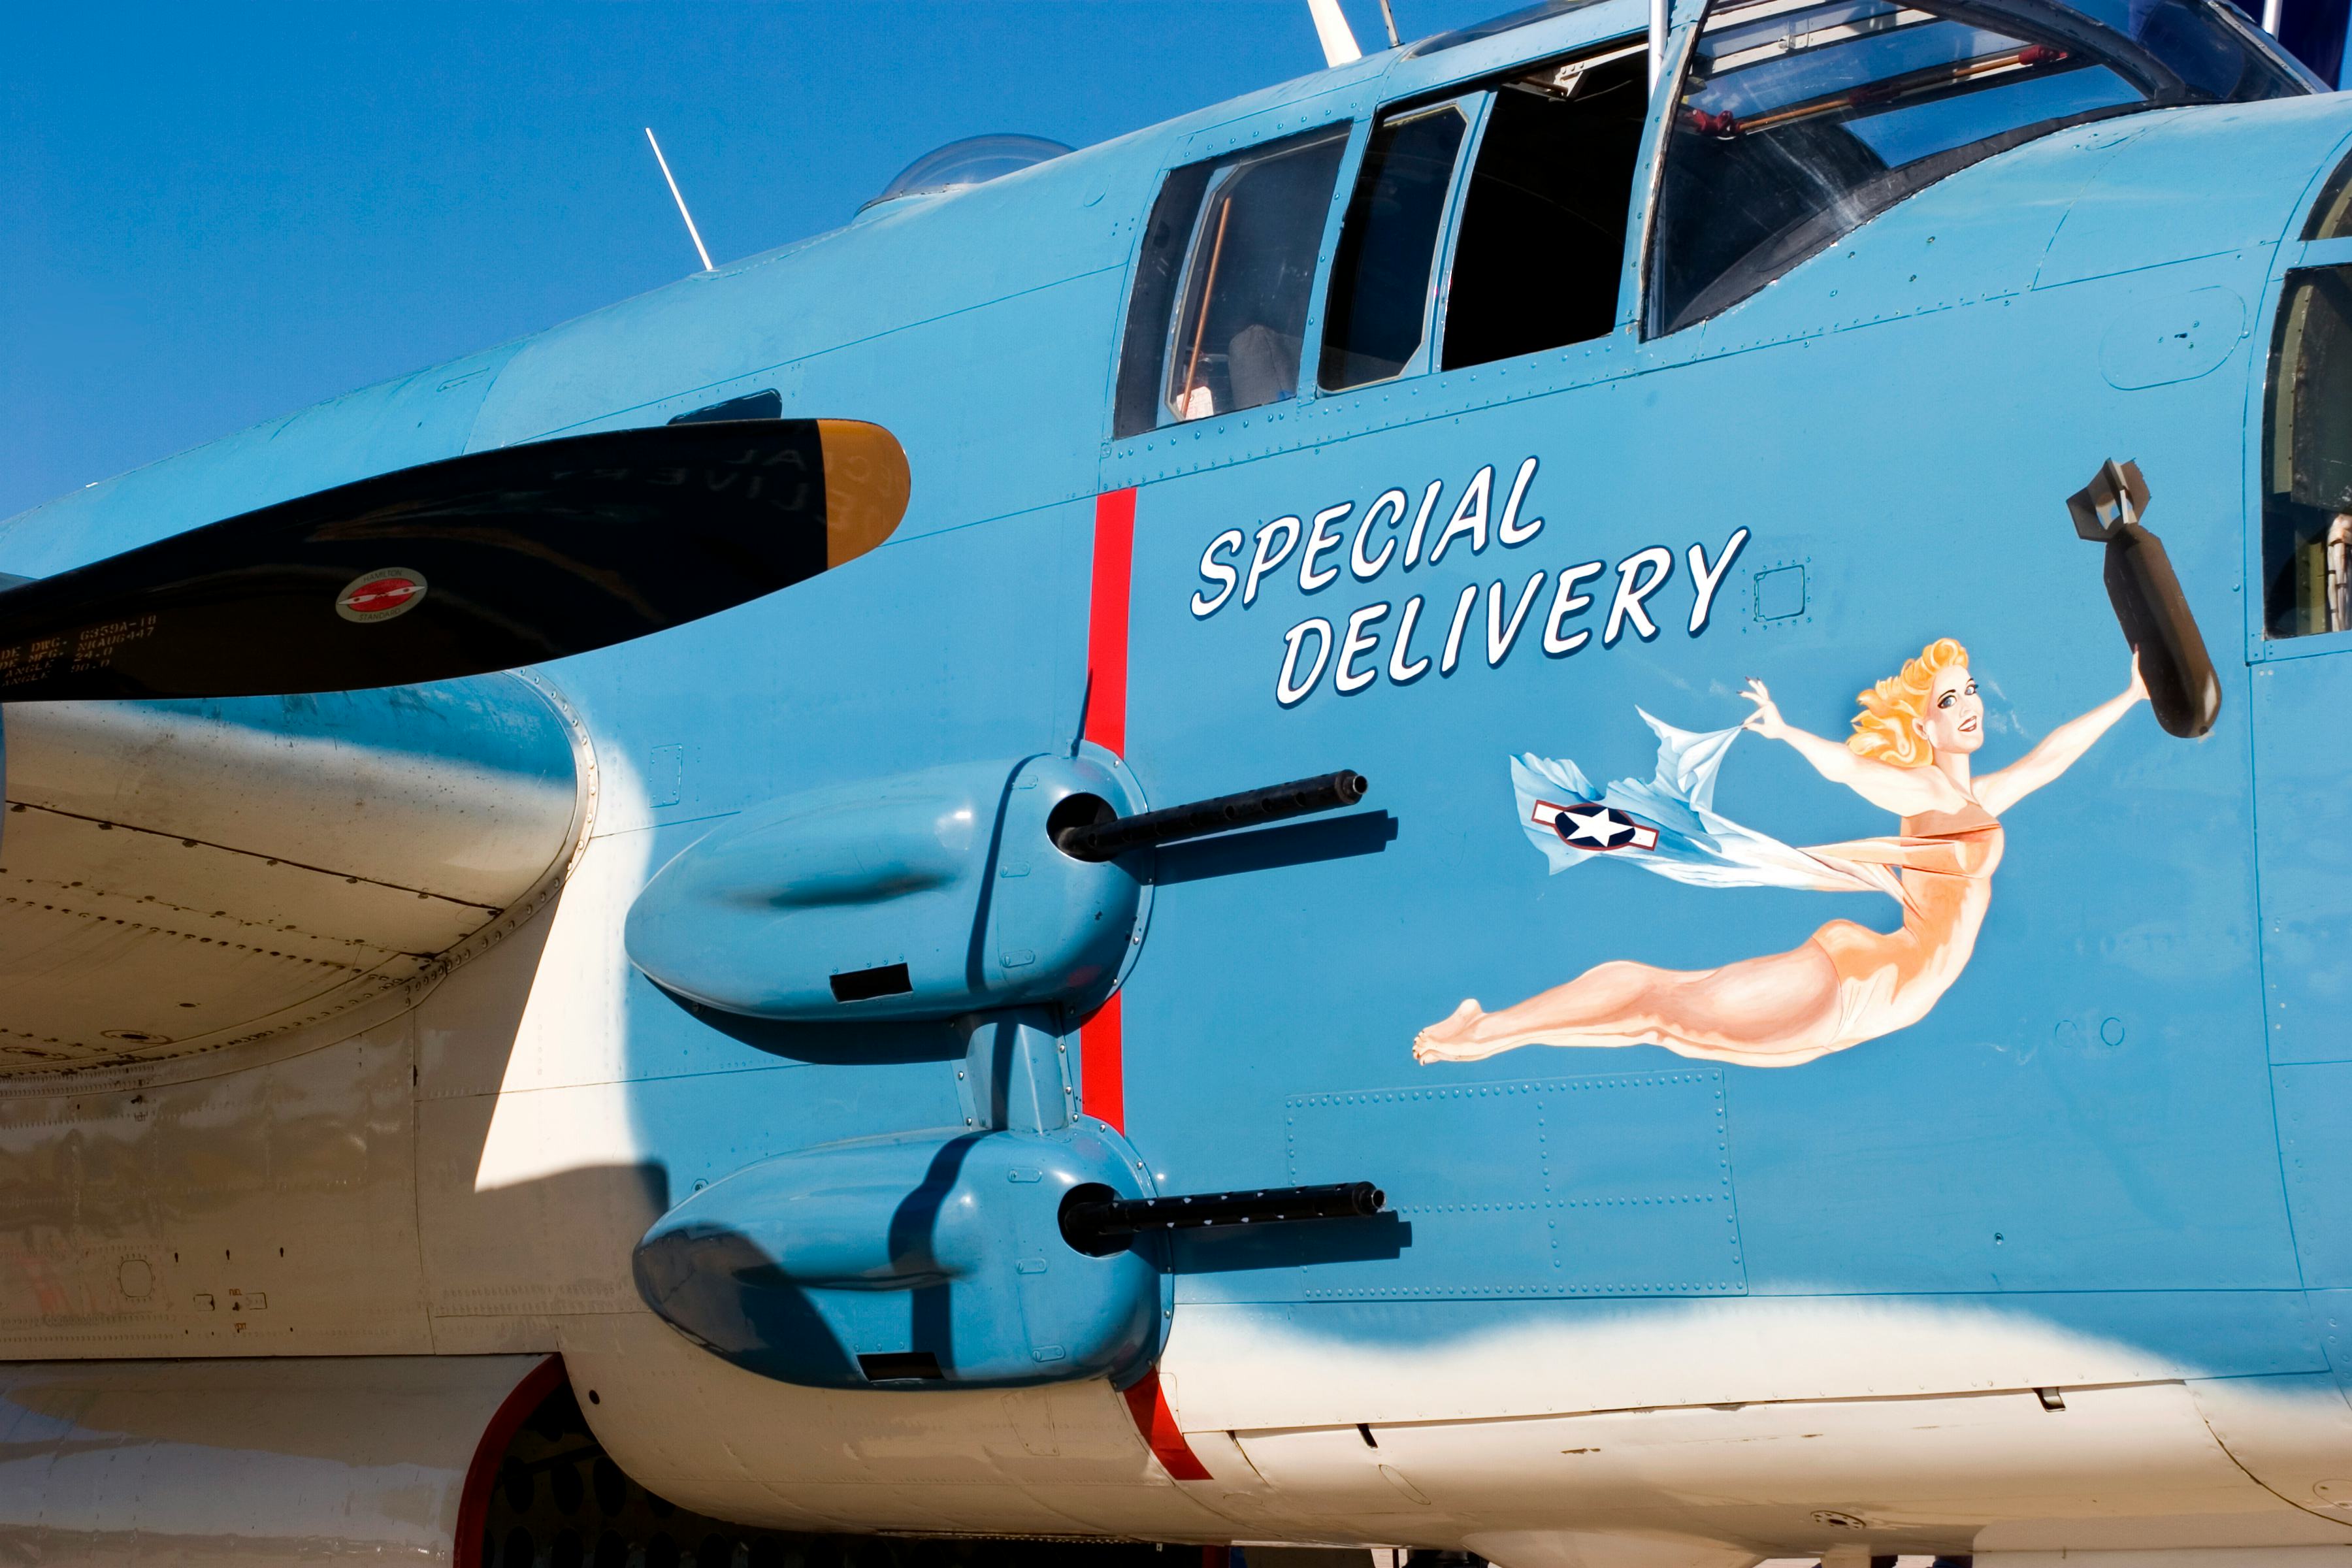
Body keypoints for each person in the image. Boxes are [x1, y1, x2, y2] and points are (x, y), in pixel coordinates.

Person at [1413, 638, 2148, 1069]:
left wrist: (2130, 697)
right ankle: (1482, 1032)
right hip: (1861, 980)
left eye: (1971, 690)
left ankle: (1486, 1032)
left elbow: (2050, 760)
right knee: (1656, 1004)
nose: (1971, 705)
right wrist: (1789, 733)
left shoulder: (1975, 801)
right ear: (1922, 725)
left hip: (1888, 1000)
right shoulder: (1922, 788)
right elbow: (1851, 769)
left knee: (1660, 1016)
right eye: (1949, 700)